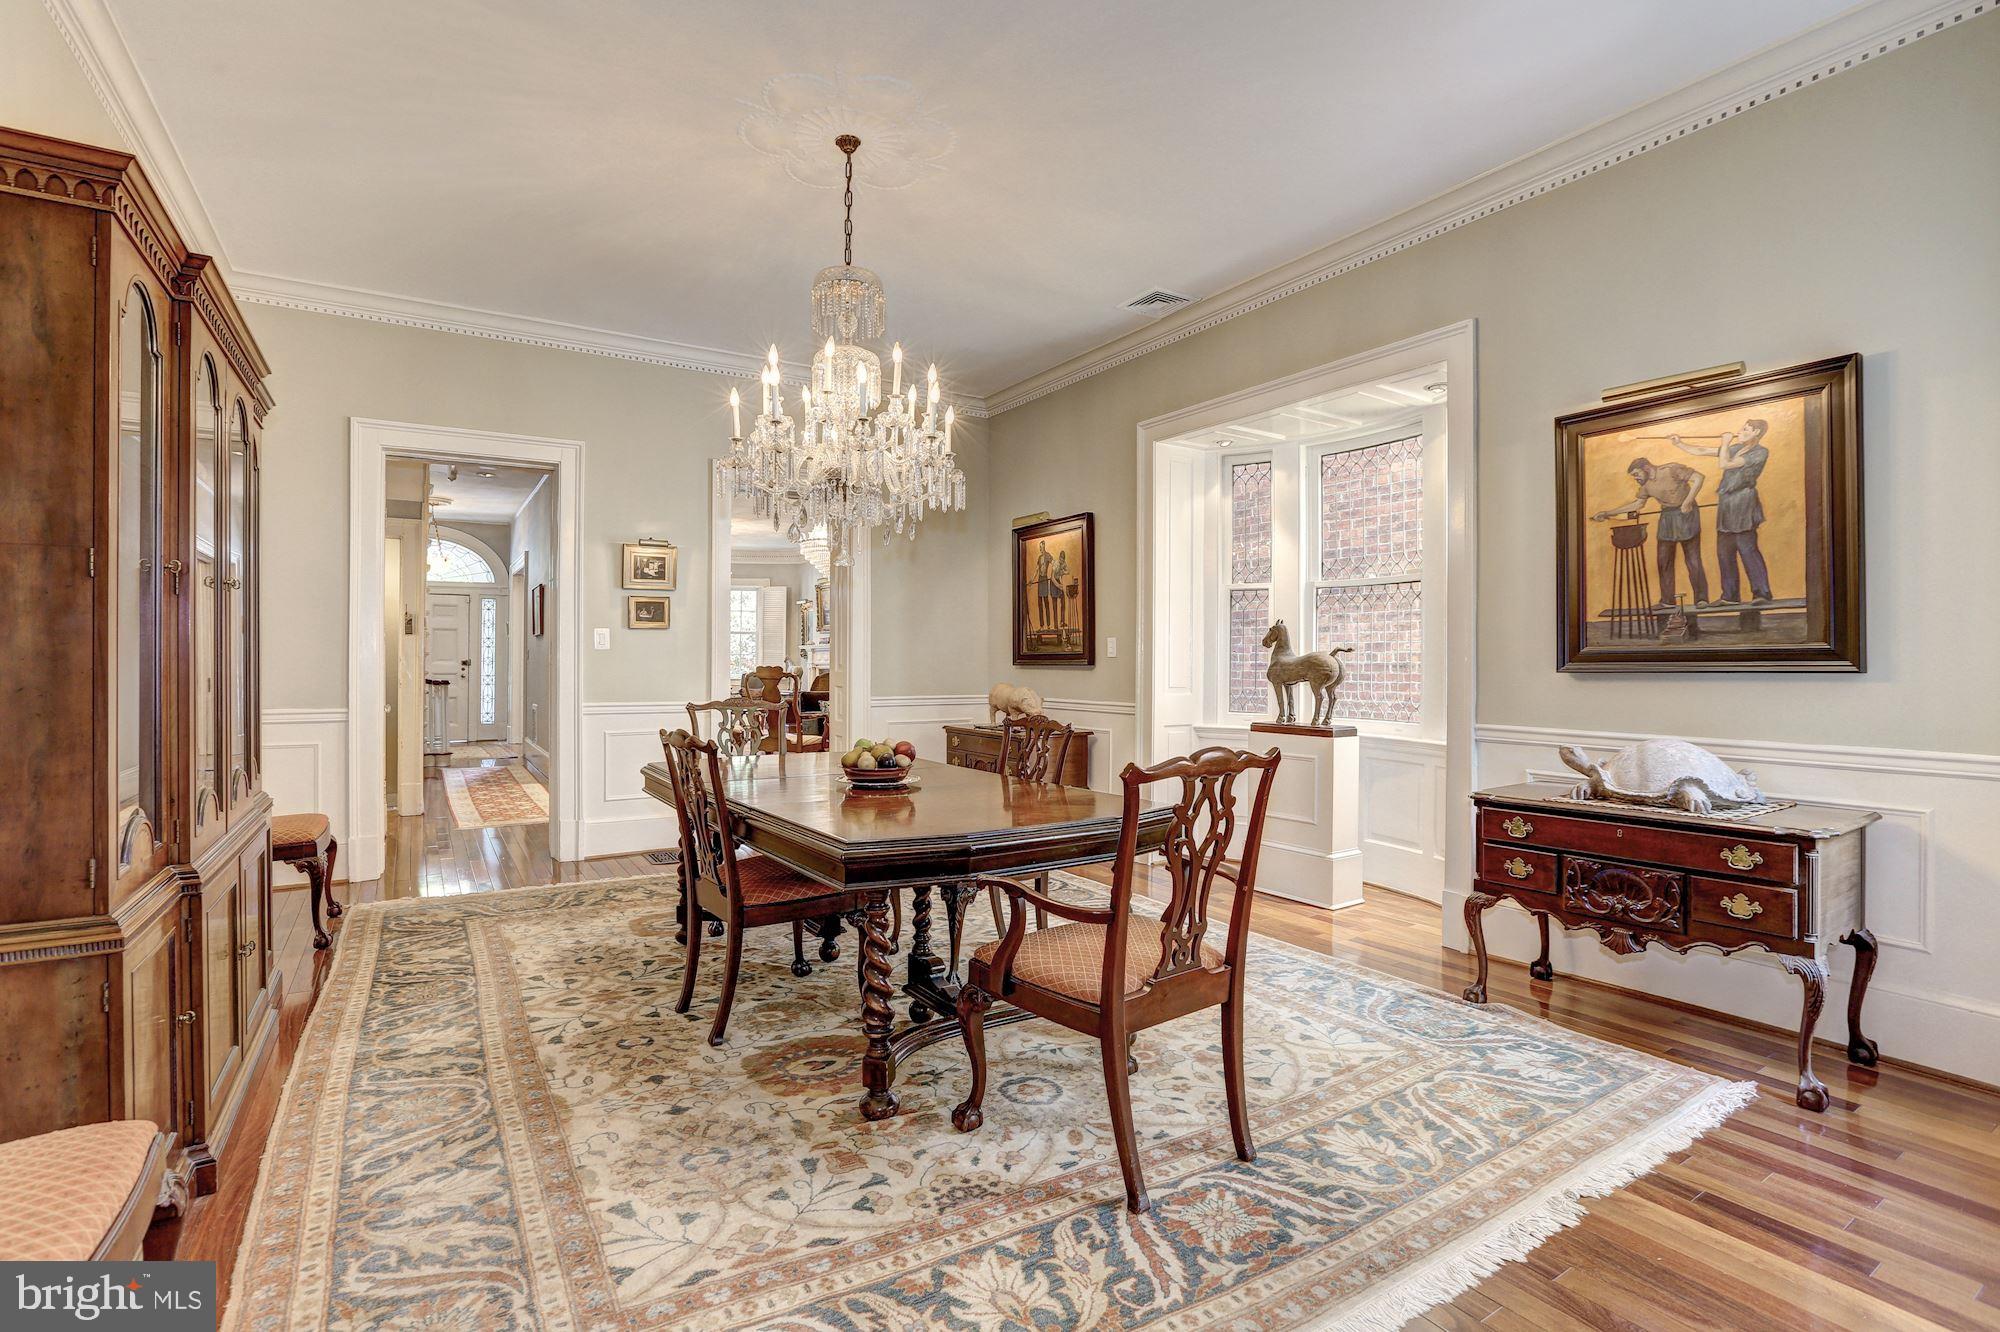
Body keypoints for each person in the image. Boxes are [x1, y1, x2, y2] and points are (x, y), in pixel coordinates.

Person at [1672, 419, 1773, 603]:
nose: (1740, 431)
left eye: (1745, 429)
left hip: (1744, 502)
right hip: (1726, 503)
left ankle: (1761, 593)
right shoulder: (1734, 448)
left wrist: (1725, 443)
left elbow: (1725, 464)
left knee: (1747, 549)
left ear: (1756, 432)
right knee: (1724, 551)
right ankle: (1730, 595)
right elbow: (1703, 451)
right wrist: (1680, 444)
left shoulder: (1760, 452)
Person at [1592, 457, 1709, 608]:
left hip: (1687, 515)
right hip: (1667, 518)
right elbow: (1638, 504)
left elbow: (1699, 478)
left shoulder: (1671, 469)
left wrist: (1688, 501)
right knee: (1663, 561)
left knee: (1693, 560)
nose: (1636, 478)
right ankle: (1667, 601)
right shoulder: (1645, 485)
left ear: (1646, 468)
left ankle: (1701, 599)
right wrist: (1608, 513)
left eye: (1636, 474)